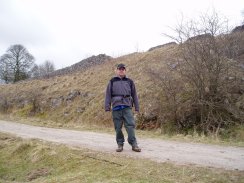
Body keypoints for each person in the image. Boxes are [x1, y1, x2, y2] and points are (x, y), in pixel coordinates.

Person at [105, 63, 141, 152]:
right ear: (116, 70)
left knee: (130, 125)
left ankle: (134, 144)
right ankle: (120, 144)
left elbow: (134, 95)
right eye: (119, 69)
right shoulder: (112, 81)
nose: (121, 70)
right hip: (116, 107)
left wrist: (137, 107)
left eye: (123, 69)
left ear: (125, 70)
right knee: (118, 127)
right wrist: (107, 106)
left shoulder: (130, 81)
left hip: (127, 107)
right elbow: (108, 95)